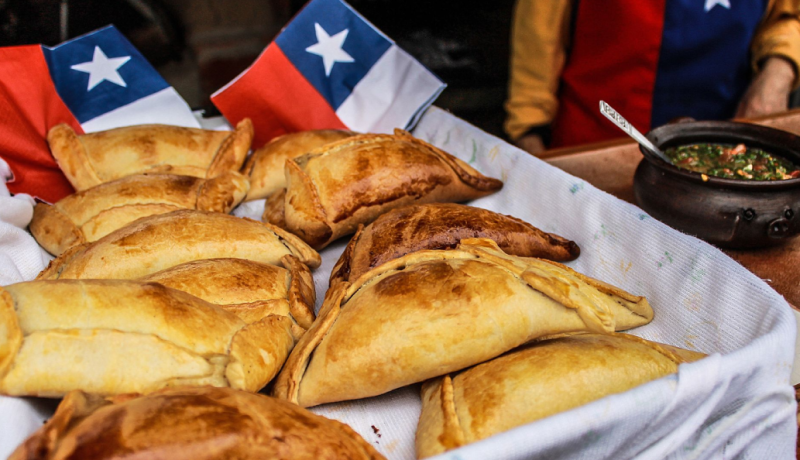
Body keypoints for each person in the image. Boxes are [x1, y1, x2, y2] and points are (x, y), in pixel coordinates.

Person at [505, 0, 800, 156]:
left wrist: (778, 72)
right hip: (593, 147)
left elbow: (786, 16)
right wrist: (529, 133)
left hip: (724, 144)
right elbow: (538, 39)